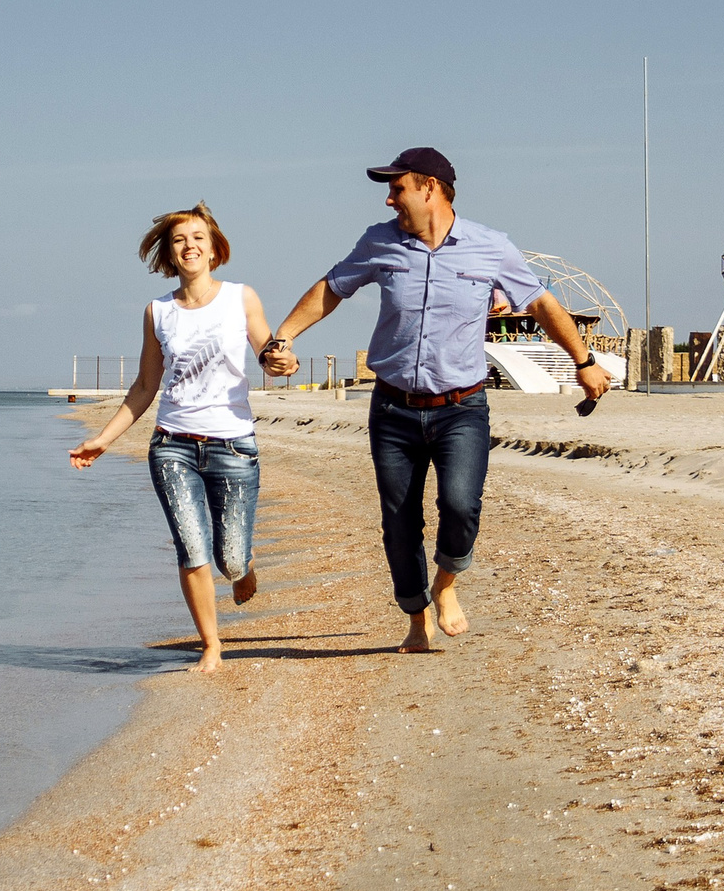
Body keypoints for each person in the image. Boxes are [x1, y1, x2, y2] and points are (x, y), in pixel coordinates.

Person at [261, 148, 609, 652]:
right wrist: (283, 338)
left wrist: (583, 360)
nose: (389, 199)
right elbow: (332, 287)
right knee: (399, 523)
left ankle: (445, 586)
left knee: (460, 505)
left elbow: (540, 303)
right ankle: (416, 616)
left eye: (397, 188)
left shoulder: (491, 247)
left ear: (429, 188)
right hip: (393, 409)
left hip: (461, 409)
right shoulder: (379, 241)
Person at [68, 203, 276, 674]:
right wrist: (103, 440)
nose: (190, 245)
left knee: (230, 559)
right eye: (180, 239)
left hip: (233, 445)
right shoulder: (158, 312)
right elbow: (146, 385)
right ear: (169, 252)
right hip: (172, 446)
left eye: (199, 237)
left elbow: (268, 349)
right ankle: (212, 645)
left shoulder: (241, 298)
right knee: (191, 546)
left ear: (214, 247)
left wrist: (281, 359)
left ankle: (244, 565)